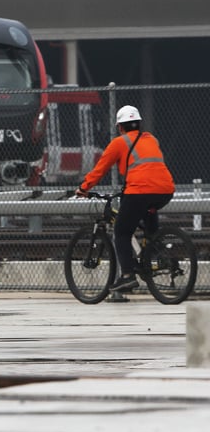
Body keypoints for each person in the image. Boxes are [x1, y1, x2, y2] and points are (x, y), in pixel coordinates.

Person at [75, 105, 175, 292]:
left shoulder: (119, 143)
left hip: (139, 191)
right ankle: (153, 254)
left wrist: (83, 188)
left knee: (121, 232)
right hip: (165, 190)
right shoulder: (152, 139)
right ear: (139, 124)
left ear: (120, 127)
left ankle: (127, 276)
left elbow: (100, 170)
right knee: (149, 221)